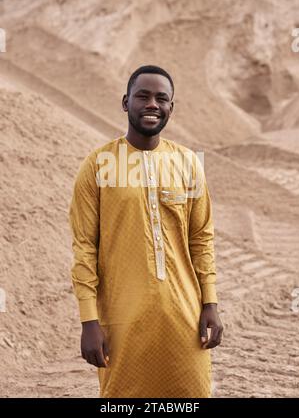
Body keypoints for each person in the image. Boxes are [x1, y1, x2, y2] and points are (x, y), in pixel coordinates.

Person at [69, 64, 223, 398]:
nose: (152, 104)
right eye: (143, 96)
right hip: (122, 319)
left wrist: (210, 303)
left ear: (171, 108)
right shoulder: (97, 165)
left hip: (185, 316)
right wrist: (89, 321)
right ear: (126, 103)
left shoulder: (187, 163)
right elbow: (84, 247)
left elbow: (201, 238)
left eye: (161, 98)